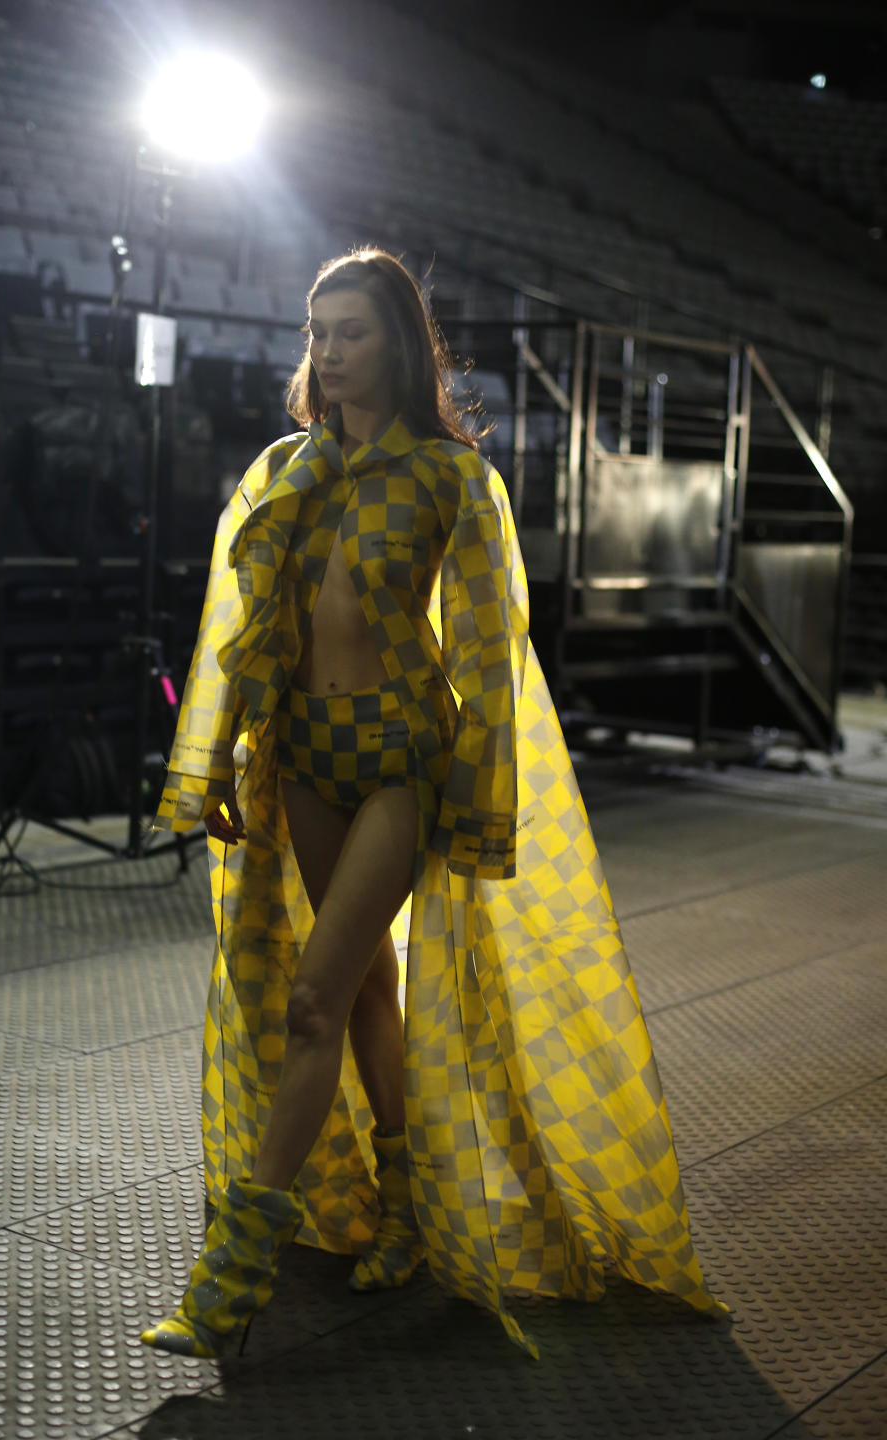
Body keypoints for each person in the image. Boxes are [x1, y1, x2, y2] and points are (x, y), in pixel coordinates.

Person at [140, 248, 727, 1360]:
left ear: (399, 345)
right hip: (305, 755)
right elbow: (239, 631)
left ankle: (234, 1275)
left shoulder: (454, 481)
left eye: (350, 331)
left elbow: (489, 659)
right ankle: (406, 1208)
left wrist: (485, 796)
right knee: (363, 986)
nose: (327, 350)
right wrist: (212, 757)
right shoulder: (283, 472)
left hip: (402, 760)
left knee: (313, 999)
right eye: (316, 330)